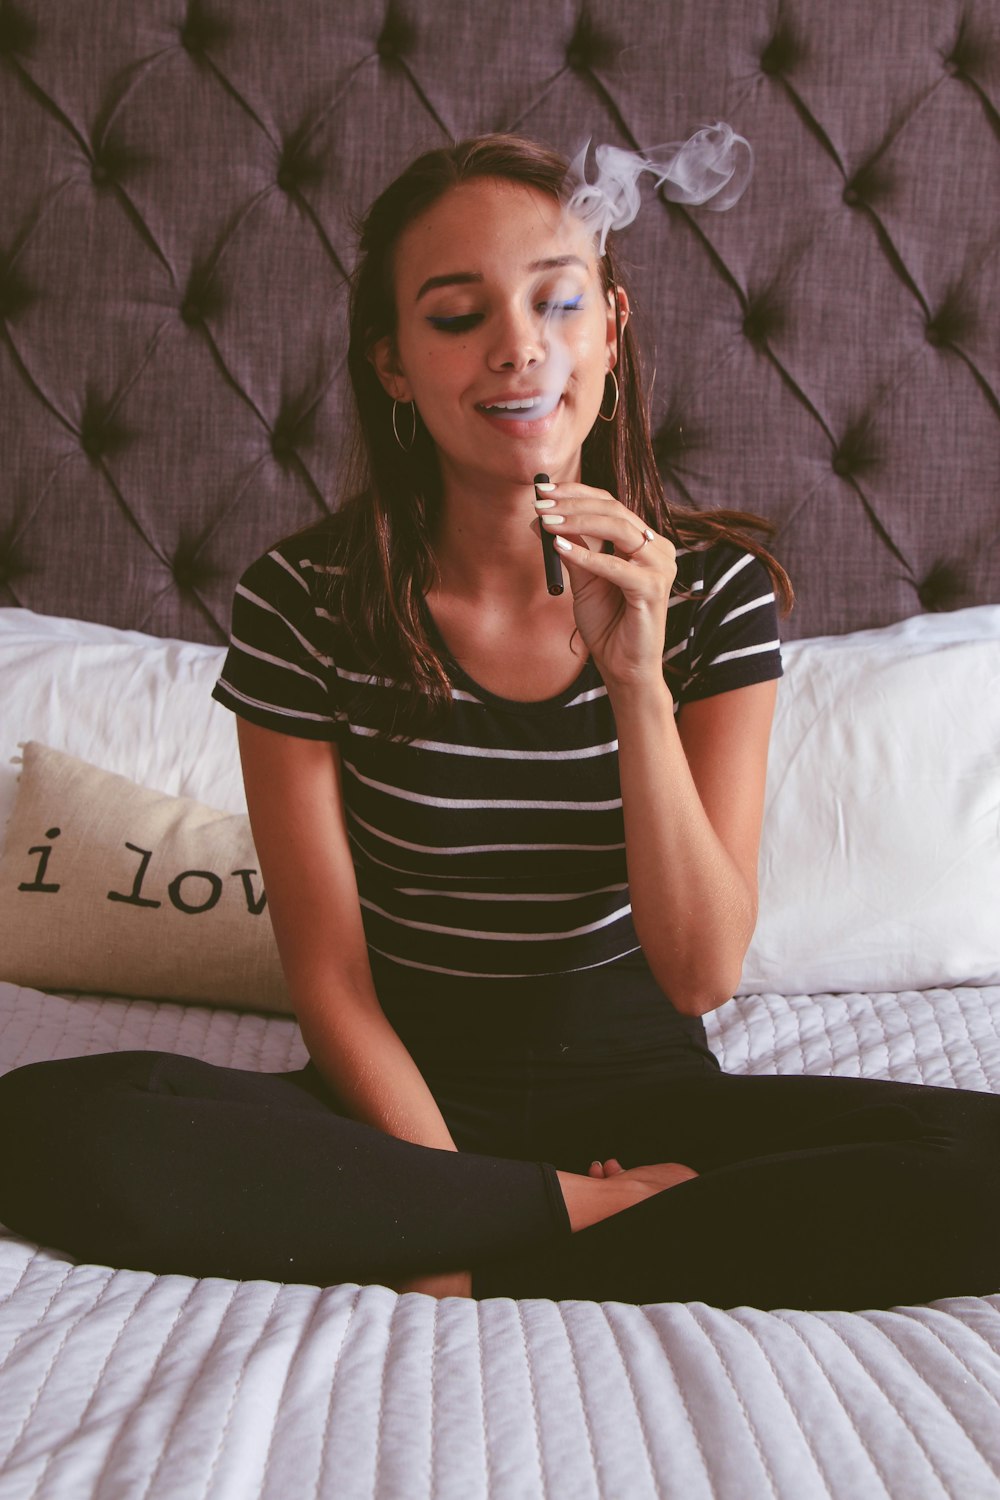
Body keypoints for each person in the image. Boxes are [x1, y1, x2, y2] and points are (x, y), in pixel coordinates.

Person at [1, 135, 998, 1310]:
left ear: (609, 333)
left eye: (555, 301)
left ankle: (474, 1241)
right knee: (41, 1125)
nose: (518, 346)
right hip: (388, 1107)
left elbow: (698, 971)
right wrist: (469, 1186)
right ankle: (591, 1219)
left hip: (650, 1097)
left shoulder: (710, 591)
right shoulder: (302, 601)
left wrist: (634, 680)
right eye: (455, 315)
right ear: (392, 365)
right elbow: (327, 976)